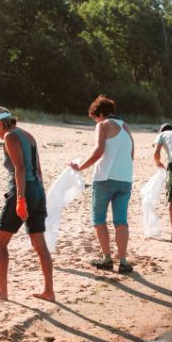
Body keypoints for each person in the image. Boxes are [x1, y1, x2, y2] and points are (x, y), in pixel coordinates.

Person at [0, 107, 54, 302]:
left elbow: (20, 168)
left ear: (0, 123)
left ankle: (2, 292)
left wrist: (21, 199)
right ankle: (49, 291)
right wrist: (38, 195)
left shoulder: (10, 137)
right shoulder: (28, 135)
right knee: (39, 243)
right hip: (37, 189)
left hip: (23, 191)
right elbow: (38, 170)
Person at [70, 95, 134, 274]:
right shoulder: (125, 126)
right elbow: (131, 153)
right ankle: (123, 261)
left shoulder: (102, 125)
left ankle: (106, 259)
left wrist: (80, 167)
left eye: (95, 118)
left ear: (100, 114)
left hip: (104, 178)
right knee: (121, 221)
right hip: (125, 179)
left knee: (99, 219)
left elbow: (99, 151)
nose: (95, 121)